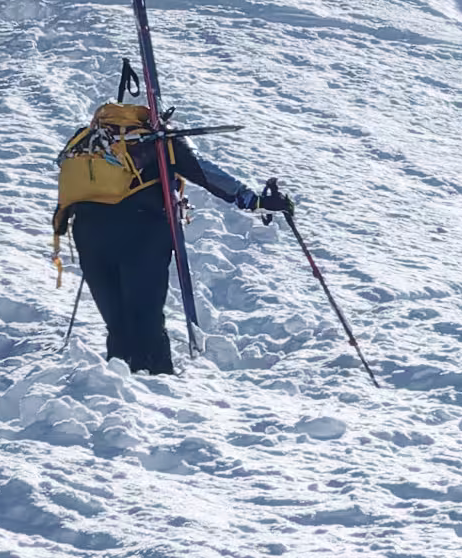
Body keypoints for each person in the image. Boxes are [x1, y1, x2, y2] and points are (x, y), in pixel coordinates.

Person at [48, 73, 288, 379]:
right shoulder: (157, 138)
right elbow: (204, 172)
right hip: (142, 232)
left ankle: (117, 381)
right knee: (145, 315)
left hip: (89, 233)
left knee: (117, 321)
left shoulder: (91, 139)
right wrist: (252, 200)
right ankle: (158, 383)